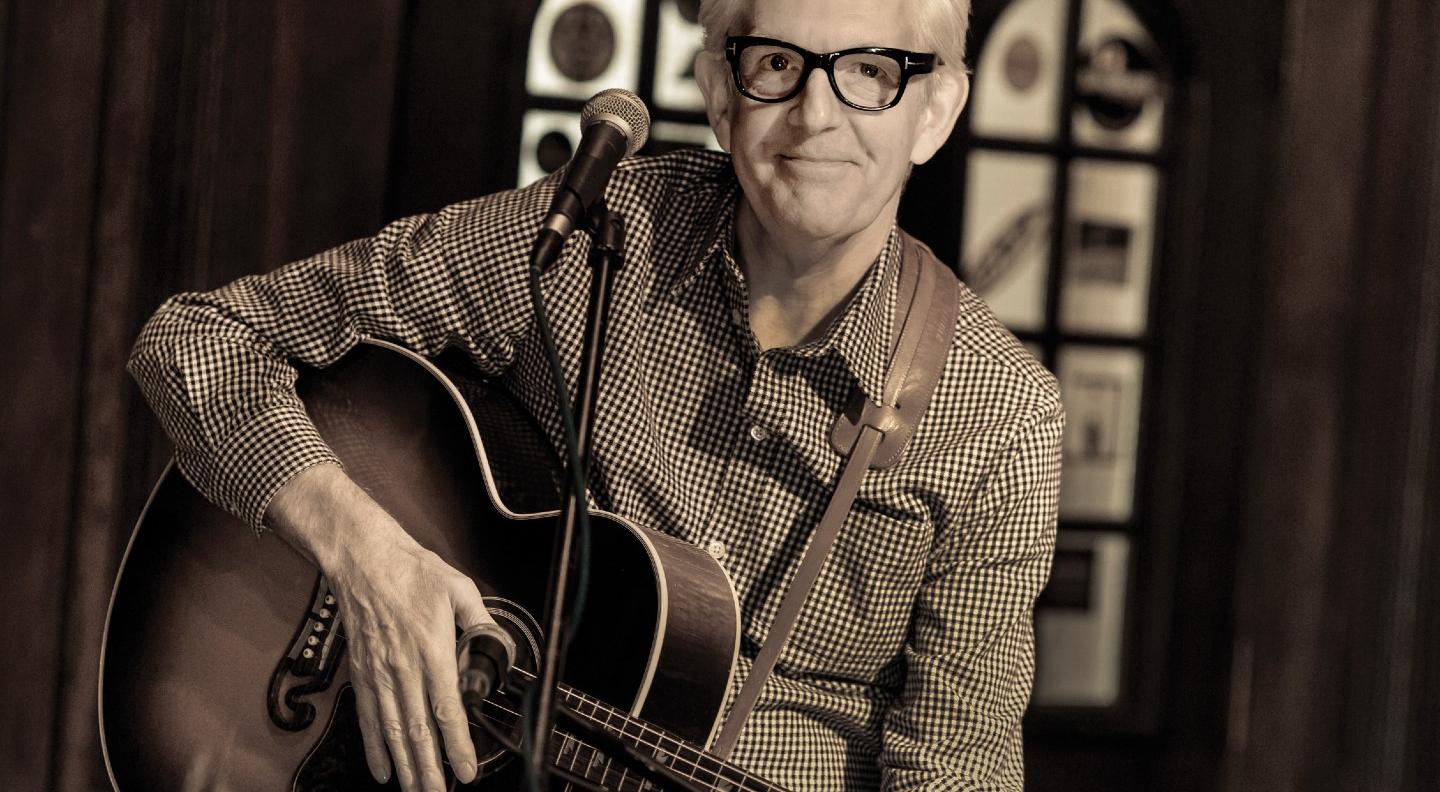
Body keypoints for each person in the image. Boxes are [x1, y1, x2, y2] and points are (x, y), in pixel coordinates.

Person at [128, 0, 1063, 789]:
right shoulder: (591, 238)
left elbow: (956, 763)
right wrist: (368, 561)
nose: (815, 115)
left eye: (869, 71)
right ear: (718, 90)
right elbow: (197, 341)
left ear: (935, 109)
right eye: (777, 63)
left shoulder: (1002, 419)